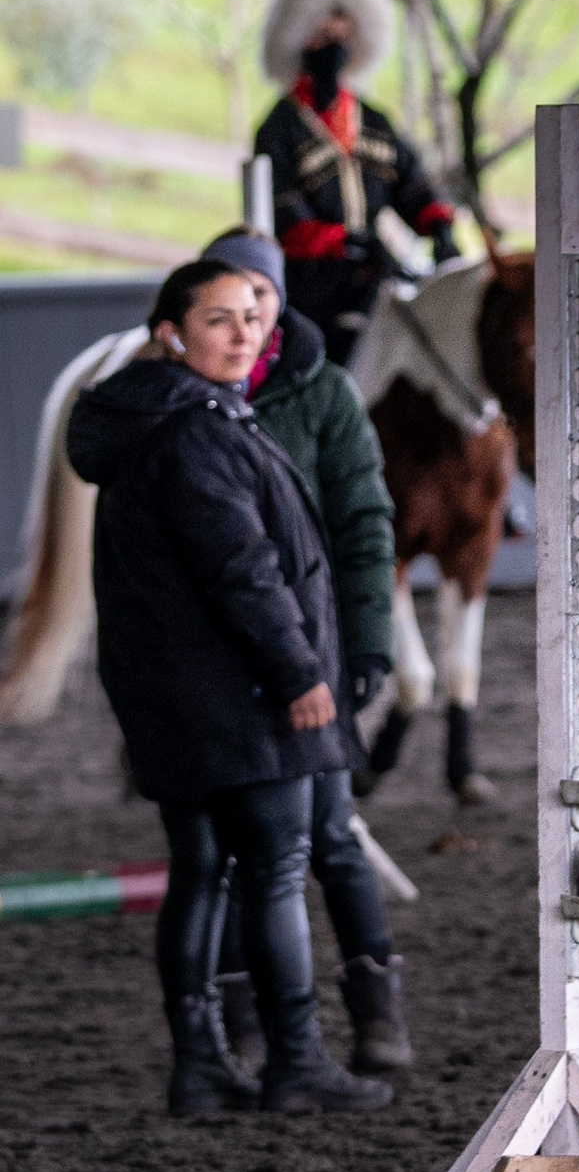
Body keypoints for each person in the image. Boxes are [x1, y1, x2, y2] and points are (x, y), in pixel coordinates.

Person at [65, 259, 393, 1119]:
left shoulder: (161, 419)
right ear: (170, 332)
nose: (244, 331)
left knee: (202, 869)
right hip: (239, 698)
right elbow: (243, 571)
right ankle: (297, 1058)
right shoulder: (197, 431)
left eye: (251, 314)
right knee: (277, 870)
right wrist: (299, 673)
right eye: (219, 318)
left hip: (178, 699)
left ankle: (202, 1063)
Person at [197, 224, 413, 1077]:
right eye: (230, 301)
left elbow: (365, 525)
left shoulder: (324, 395)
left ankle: (374, 1011)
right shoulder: (190, 396)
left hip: (309, 654)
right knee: (228, 849)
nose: (247, 316)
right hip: (219, 665)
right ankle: (244, 1021)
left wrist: (369, 644)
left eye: (259, 297)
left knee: (329, 835)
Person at [252, 0, 461, 366]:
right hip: (311, 282)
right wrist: (341, 241)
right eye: (324, 36)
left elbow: (412, 183)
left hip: (377, 267)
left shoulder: (376, 122)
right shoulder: (279, 127)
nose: (336, 46)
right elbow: (283, 211)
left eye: (345, 36)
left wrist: (438, 226)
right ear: (297, 39)